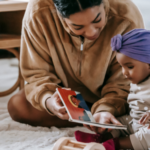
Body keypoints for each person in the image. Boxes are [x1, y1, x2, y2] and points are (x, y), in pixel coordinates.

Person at [8, 0, 144, 129]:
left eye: (97, 20)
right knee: (17, 105)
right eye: (77, 26)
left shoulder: (126, 16)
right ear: (60, 16)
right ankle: (95, 119)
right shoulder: (38, 13)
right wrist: (49, 101)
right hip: (65, 98)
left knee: (141, 104)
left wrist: (106, 108)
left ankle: (102, 116)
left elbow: (126, 81)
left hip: (112, 97)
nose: (92, 32)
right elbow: (37, 73)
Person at [75, 29, 150, 150]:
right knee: (117, 122)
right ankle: (102, 138)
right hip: (134, 120)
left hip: (148, 127)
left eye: (130, 67)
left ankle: (116, 144)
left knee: (147, 136)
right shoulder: (137, 79)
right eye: (122, 66)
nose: (124, 72)